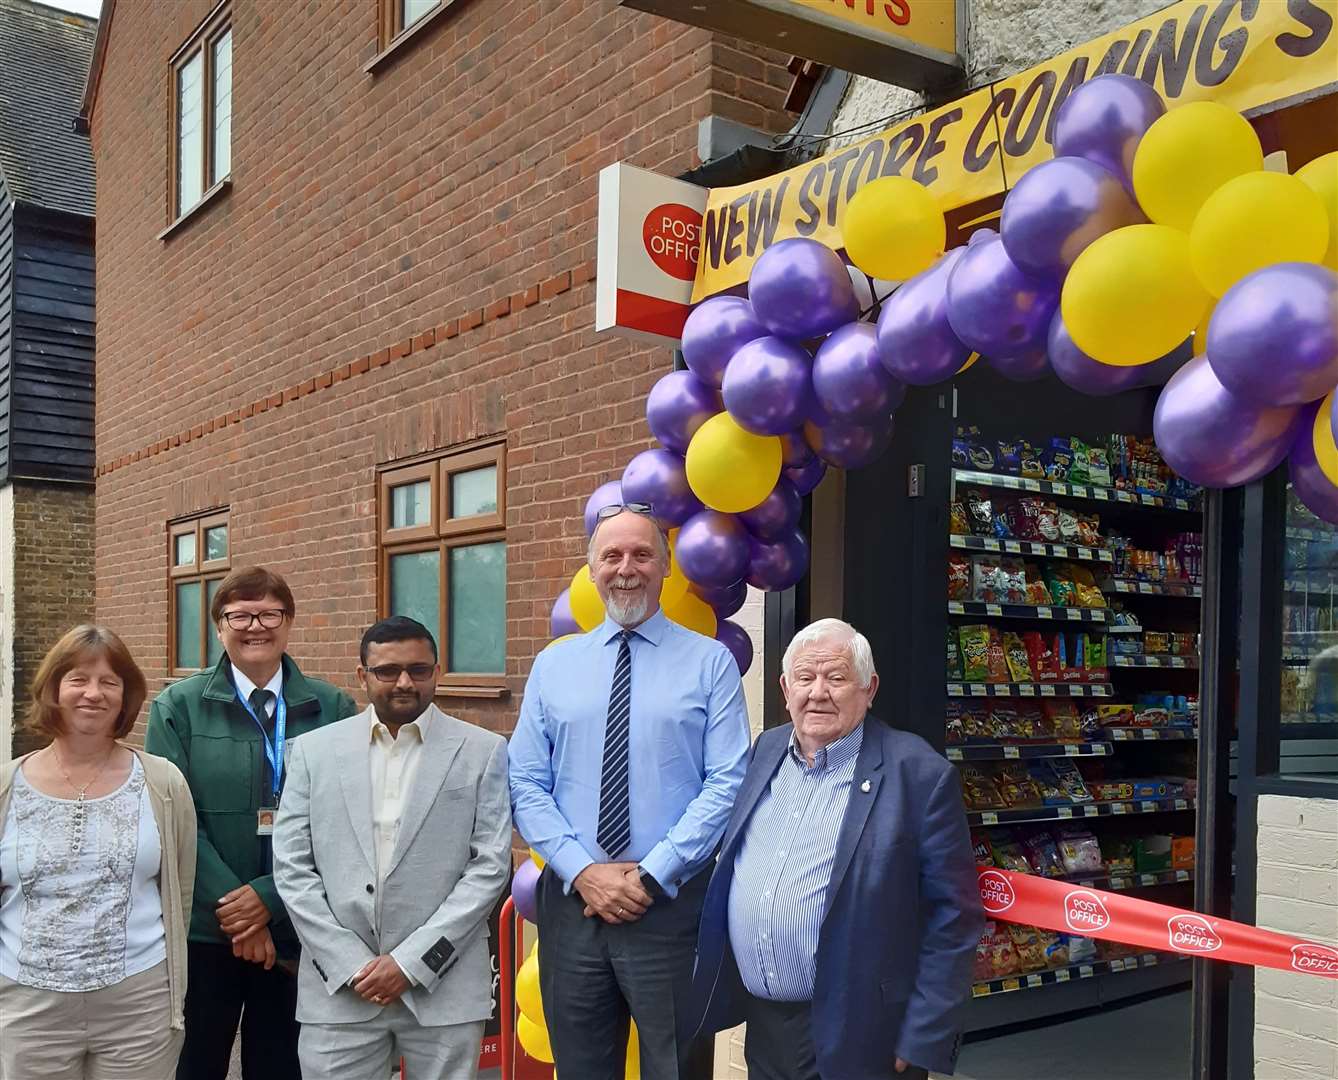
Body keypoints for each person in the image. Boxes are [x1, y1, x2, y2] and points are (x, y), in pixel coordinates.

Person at [509, 503, 751, 1080]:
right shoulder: (554, 666)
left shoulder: (710, 663)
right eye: (611, 555)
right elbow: (524, 780)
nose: (626, 568)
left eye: (642, 554)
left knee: (677, 1068)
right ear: (591, 569)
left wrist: (650, 873)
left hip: (671, 905)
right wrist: (584, 871)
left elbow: (728, 781)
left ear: (665, 567)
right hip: (573, 905)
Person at [684, 618, 983, 1080]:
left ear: (869, 688)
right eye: (805, 677)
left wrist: (924, 1033)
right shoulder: (764, 753)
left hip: (864, 1034)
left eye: (836, 677)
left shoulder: (918, 773)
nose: (818, 692)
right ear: (785, 688)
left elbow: (955, 916)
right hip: (765, 1028)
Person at [273, 616, 512, 1080]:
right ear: (362, 676)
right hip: (339, 989)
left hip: (444, 985)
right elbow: (292, 867)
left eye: (419, 670)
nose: (405, 682)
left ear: (437, 672)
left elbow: (489, 867)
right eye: (388, 671)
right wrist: (350, 964)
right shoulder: (311, 752)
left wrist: (411, 963)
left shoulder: (483, 750)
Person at [145, 566, 358, 1080]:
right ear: (219, 625)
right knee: (195, 1065)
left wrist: (270, 898)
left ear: (289, 622)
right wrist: (237, 911)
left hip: (300, 928)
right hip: (205, 931)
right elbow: (171, 821)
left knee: (282, 1067)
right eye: (240, 614)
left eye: (269, 613)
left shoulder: (332, 708)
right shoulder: (178, 707)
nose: (255, 626)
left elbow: (343, 823)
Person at [0, 625, 197, 1079]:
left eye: (110, 681)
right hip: (29, 1008)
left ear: (126, 696)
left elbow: (179, 890)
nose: (94, 693)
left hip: (138, 1006)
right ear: (53, 689)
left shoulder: (163, 783)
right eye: (78, 679)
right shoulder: (8, 786)